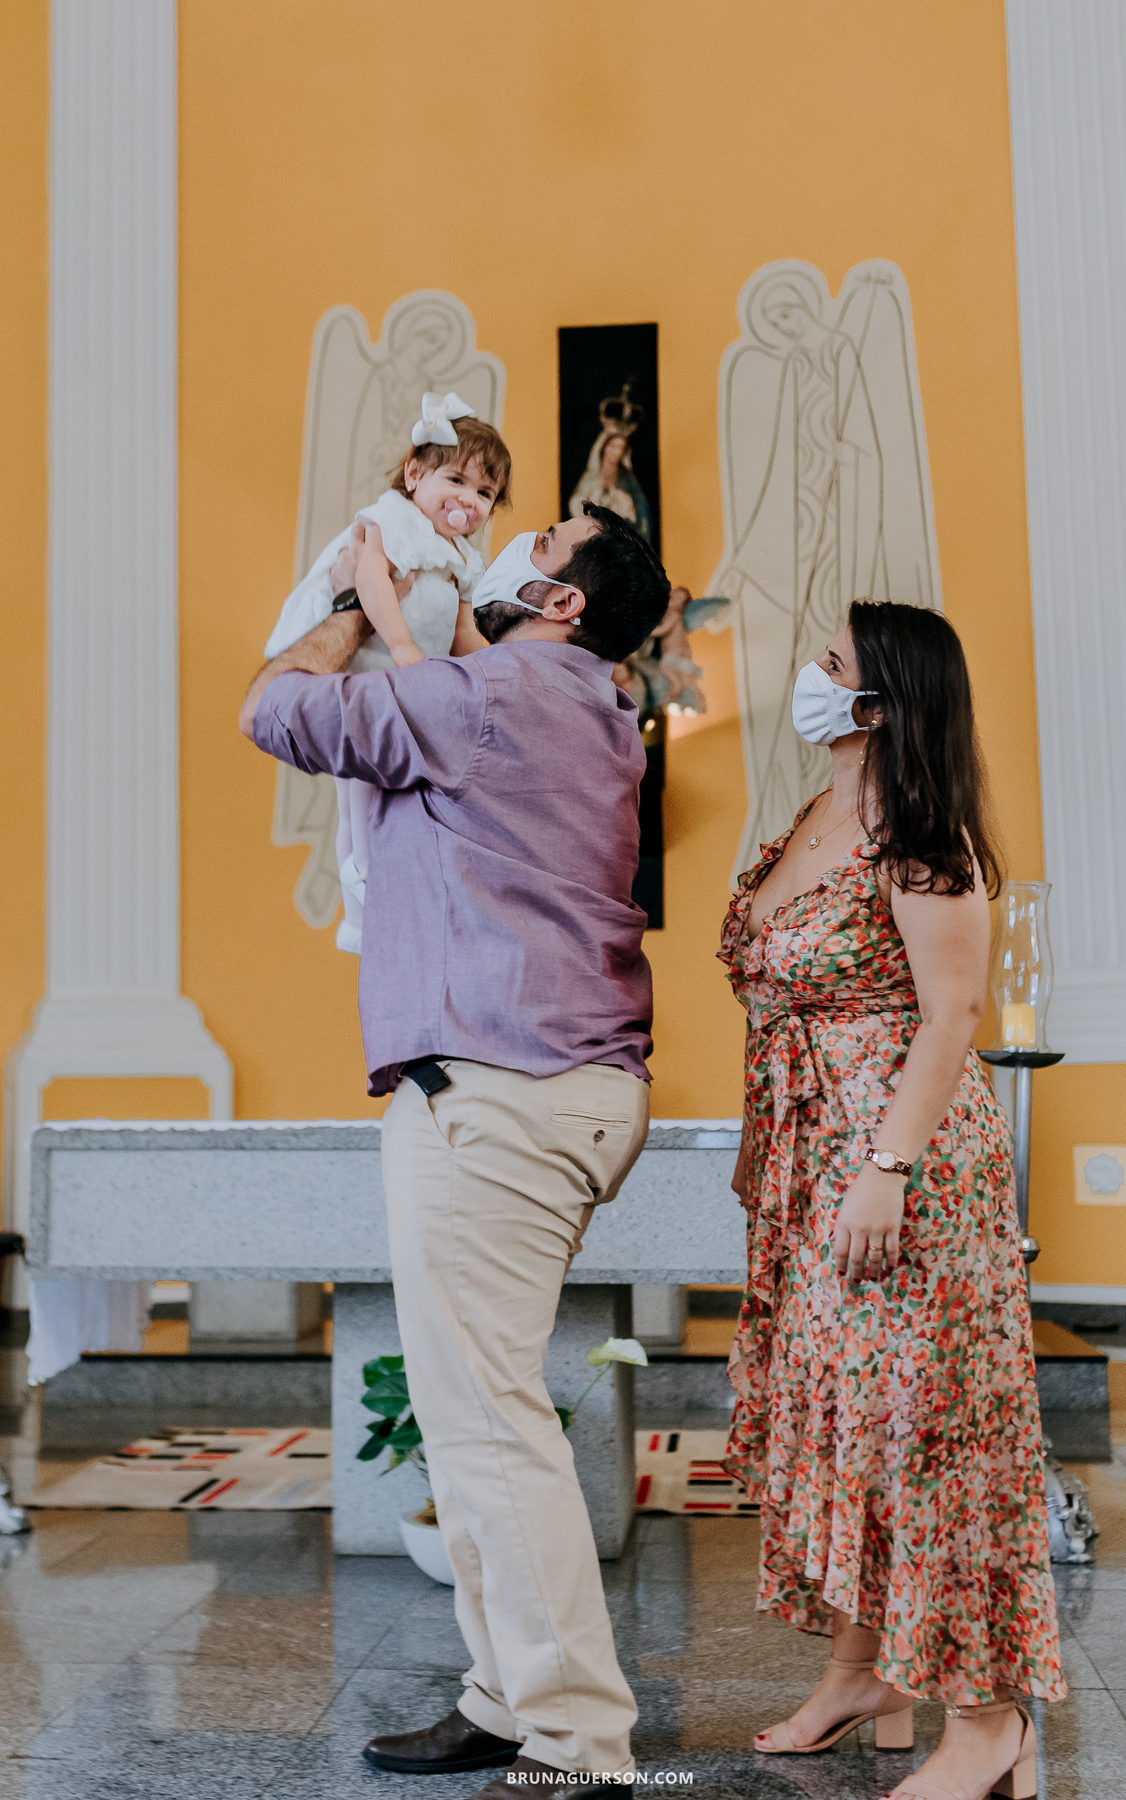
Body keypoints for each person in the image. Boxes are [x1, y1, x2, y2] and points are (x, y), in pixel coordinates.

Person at [239, 502, 672, 1795]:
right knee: (470, 1415)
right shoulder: (587, 707)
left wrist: (352, 598)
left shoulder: (487, 696)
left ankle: (579, 1746)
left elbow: (274, 710)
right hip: (545, 1087)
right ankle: (503, 1695)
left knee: (490, 1430)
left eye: (539, 536)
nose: (514, 540)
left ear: (562, 601)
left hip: (496, 1094)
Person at [719, 601, 1064, 1800]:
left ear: (883, 701)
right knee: (849, 1423)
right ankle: (867, 1674)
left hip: (898, 1164)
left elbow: (953, 1016)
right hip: (816, 1159)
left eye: (829, 666)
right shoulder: (823, 808)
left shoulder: (927, 833)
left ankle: (988, 1720)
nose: (806, 681)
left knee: (932, 1433)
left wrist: (885, 1170)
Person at [262, 394, 512, 952]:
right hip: (368, 676)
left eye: (485, 494)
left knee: (382, 795)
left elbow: (464, 630)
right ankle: (362, 905)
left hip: (406, 690)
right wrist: (400, 644)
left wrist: (493, 671)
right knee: (357, 796)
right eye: (456, 480)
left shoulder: (462, 559)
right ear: (414, 473)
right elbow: (370, 579)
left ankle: (376, 903)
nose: (468, 501)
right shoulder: (393, 521)